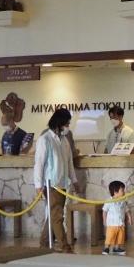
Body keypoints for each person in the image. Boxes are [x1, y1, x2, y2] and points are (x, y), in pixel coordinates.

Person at [32, 108, 77, 252]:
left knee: (53, 215)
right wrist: (38, 185)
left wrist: (74, 180)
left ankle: (43, 244)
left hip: (62, 184)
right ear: (59, 123)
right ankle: (65, 247)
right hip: (50, 185)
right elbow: (39, 163)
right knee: (57, 216)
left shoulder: (64, 141)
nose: (68, 127)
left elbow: (69, 162)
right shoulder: (45, 139)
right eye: (66, 124)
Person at [103, 180, 131, 255]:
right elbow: (104, 211)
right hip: (112, 224)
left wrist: (129, 218)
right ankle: (106, 248)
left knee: (120, 238)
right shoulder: (109, 201)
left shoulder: (123, 201)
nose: (124, 192)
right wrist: (104, 221)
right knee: (110, 237)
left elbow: (127, 210)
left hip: (121, 224)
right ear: (115, 192)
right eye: (122, 190)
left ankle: (117, 248)